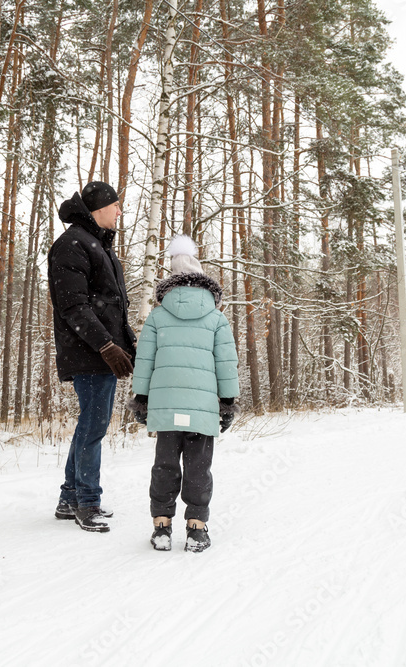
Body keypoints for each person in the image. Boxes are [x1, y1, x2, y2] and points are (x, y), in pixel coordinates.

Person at [126, 235, 239, 552]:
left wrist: (142, 398)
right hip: (202, 408)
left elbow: (144, 362)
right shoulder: (217, 318)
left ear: (170, 283)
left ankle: (161, 526)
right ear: (202, 281)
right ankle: (197, 528)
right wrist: (227, 403)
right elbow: (226, 364)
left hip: (166, 407)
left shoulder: (157, 317)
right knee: (199, 467)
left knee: (164, 465)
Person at [48, 181, 137, 533]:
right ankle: (88, 502)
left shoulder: (97, 244)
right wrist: (105, 345)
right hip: (88, 352)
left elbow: (115, 309)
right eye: (115, 206)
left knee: (90, 422)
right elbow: (73, 306)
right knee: (95, 425)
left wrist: (127, 343)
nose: (119, 212)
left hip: (101, 352)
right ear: (99, 208)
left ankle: (70, 497)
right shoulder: (72, 245)